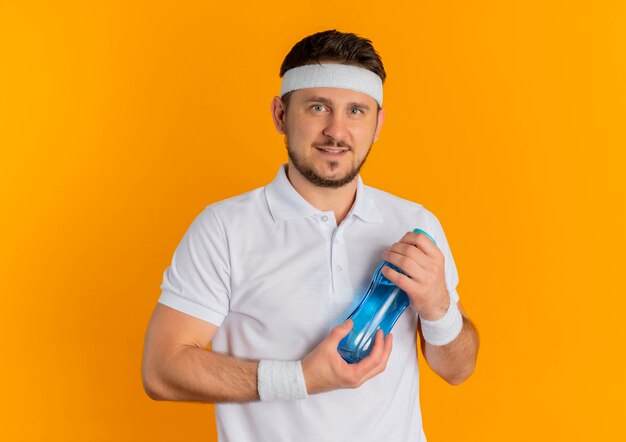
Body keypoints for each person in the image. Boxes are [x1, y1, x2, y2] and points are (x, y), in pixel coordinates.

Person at [142, 29, 479, 442]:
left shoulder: (414, 224)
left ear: (378, 124)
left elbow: (457, 369)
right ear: (281, 116)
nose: (336, 131)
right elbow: (162, 369)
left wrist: (438, 307)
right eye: (318, 107)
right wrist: (300, 379)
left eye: (356, 111)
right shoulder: (224, 229)